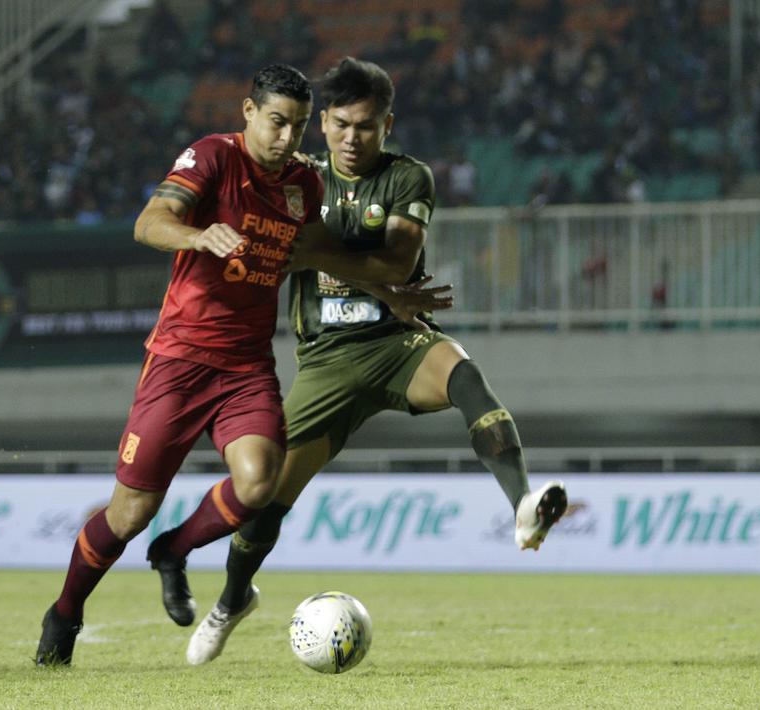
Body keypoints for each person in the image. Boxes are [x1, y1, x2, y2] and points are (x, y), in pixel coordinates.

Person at [34, 64, 449, 667]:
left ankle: (174, 550)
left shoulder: (304, 185)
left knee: (259, 481)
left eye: (299, 126)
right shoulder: (211, 158)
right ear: (249, 112)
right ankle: (65, 612)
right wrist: (198, 236)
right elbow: (148, 223)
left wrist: (391, 294)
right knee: (130, 513)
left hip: (247, 365)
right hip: (180, 360)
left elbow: (320, 255)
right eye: (277, 122)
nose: (287, 138)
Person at [176, 58, 569, 666]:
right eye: (339, 126)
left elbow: (392, 266)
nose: (351, 140)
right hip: (326, 360)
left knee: (464, 373)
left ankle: (521, 505)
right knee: (263, 501)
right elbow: (279, 247)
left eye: (365, 127)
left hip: (395, 342)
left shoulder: (408, 178)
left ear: (387, 124)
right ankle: (232, 600)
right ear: (322, 123)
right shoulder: (296, 179)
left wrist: (311, 251)